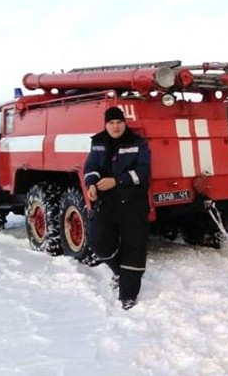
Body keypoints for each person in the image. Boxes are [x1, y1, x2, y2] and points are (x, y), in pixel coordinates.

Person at [83, 107, 151, 310]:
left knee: (134, 248)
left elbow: (143, 173)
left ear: (124, 123)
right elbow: (91, 167)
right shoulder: (98, 142)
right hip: (107, 203)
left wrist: (117, 181)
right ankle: (119, 272)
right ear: (106, 124)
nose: (115, 126)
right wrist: (92, 185)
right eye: (111, 123)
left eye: (119, 122)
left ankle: (128, 296)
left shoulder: (138, 143)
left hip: (133, 203)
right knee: (98, 243)